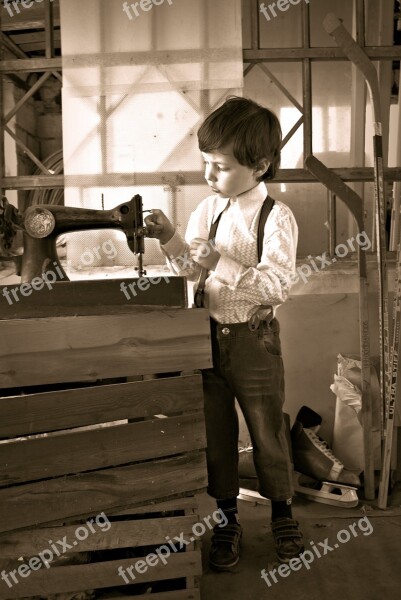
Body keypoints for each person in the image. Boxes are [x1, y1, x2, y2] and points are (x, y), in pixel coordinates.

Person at [145, 96, 304, 570]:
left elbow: (278, 285)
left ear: (261, 165)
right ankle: (227, 517)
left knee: (267, 431)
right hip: (207, 339)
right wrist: (170, 236)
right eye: (206, 165)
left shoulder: (276, 217)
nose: (209, 176)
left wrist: (223, 263)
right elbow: (188, 271)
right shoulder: (206, 211)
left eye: (220, 167)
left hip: (254, 343)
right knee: (216, 436)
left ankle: (282, 513)